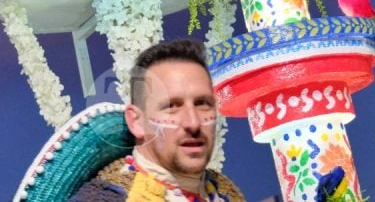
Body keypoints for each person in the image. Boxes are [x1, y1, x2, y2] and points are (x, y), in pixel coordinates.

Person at [69, 39, 246, 201]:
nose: (193, 123)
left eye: (202, 103)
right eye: (172, 106)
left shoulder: (226, 191)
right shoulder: (104, 198)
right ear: (136, 122)